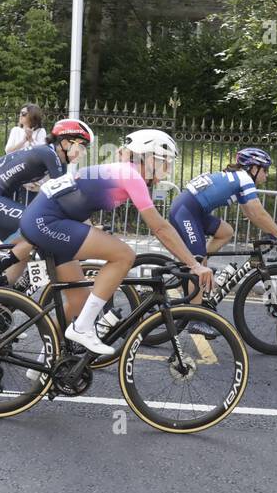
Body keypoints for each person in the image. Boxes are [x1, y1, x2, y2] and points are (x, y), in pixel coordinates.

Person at [14, 129, 212, 357]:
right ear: (149, 158)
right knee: (123, 255)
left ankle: (46, 360)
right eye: (165, 163)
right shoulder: (130, 175)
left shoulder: (122, 172)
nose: (166, 171)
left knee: (79, 300)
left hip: (46, 218)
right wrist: (194, 265)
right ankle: (83, 328)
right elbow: (159, 227)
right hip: (47, 221)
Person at [169, 147, 277, 333]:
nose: (266, 175)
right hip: (187, 213)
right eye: (265, 170)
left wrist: (272, 232)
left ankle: (201, 261)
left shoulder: (238, 178)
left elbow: (252, 214)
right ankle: (195, 319)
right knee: (197, 266)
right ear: (253, 168)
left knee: (226, 231)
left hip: (192, 212)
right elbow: (258, 212)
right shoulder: (244, 179)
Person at [0, 119, 91, 285]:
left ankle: (2, 299)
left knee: (25, 248)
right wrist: (89, 227)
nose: (84, 152)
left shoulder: (58, 162)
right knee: (37, 230)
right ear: (64, 142)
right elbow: (66, 198)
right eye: (82, 146)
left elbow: (56, 199)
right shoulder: (50, 154)